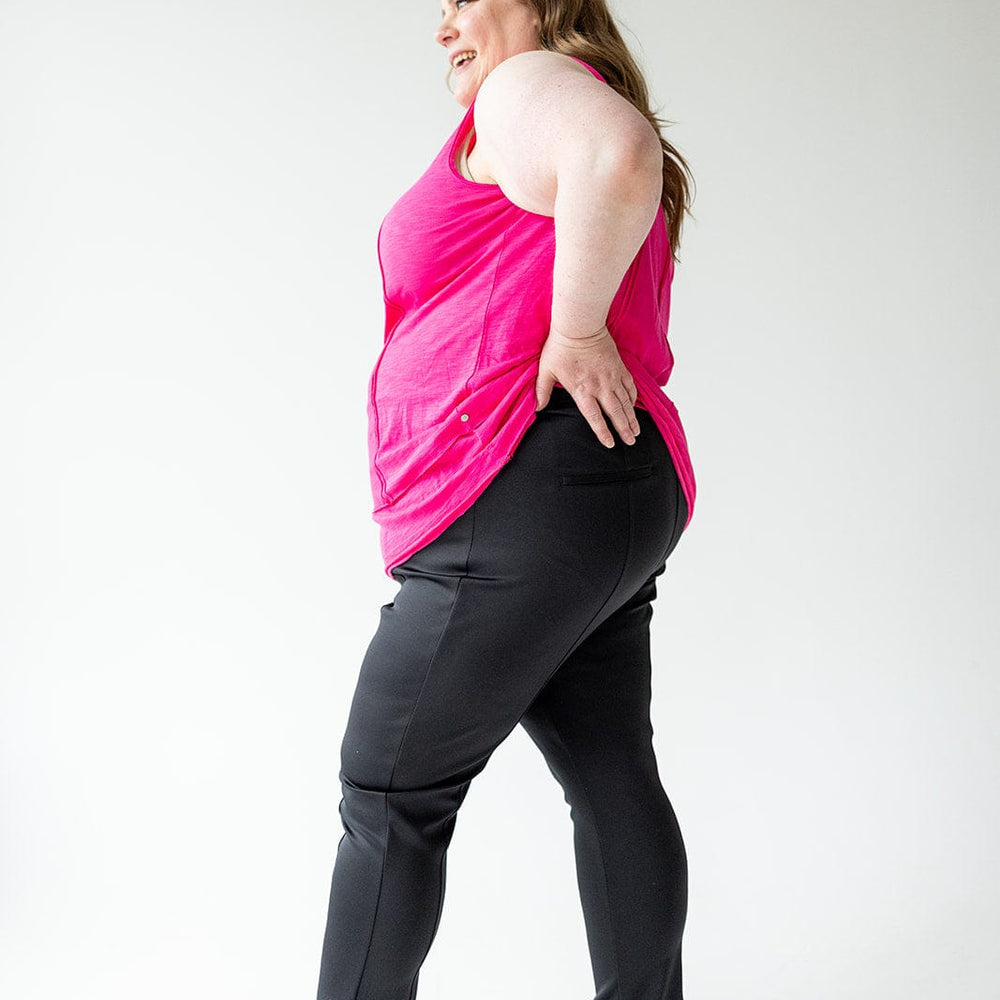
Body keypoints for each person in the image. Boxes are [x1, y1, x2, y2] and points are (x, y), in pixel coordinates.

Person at [316, 1, 696, 997]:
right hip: (603, 493)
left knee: (389, 794)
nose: (443, 25)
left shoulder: (525, 87)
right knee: (610, 773)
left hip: (515, 495)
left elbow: (617, 151)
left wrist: (572, 335)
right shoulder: (543, 101)